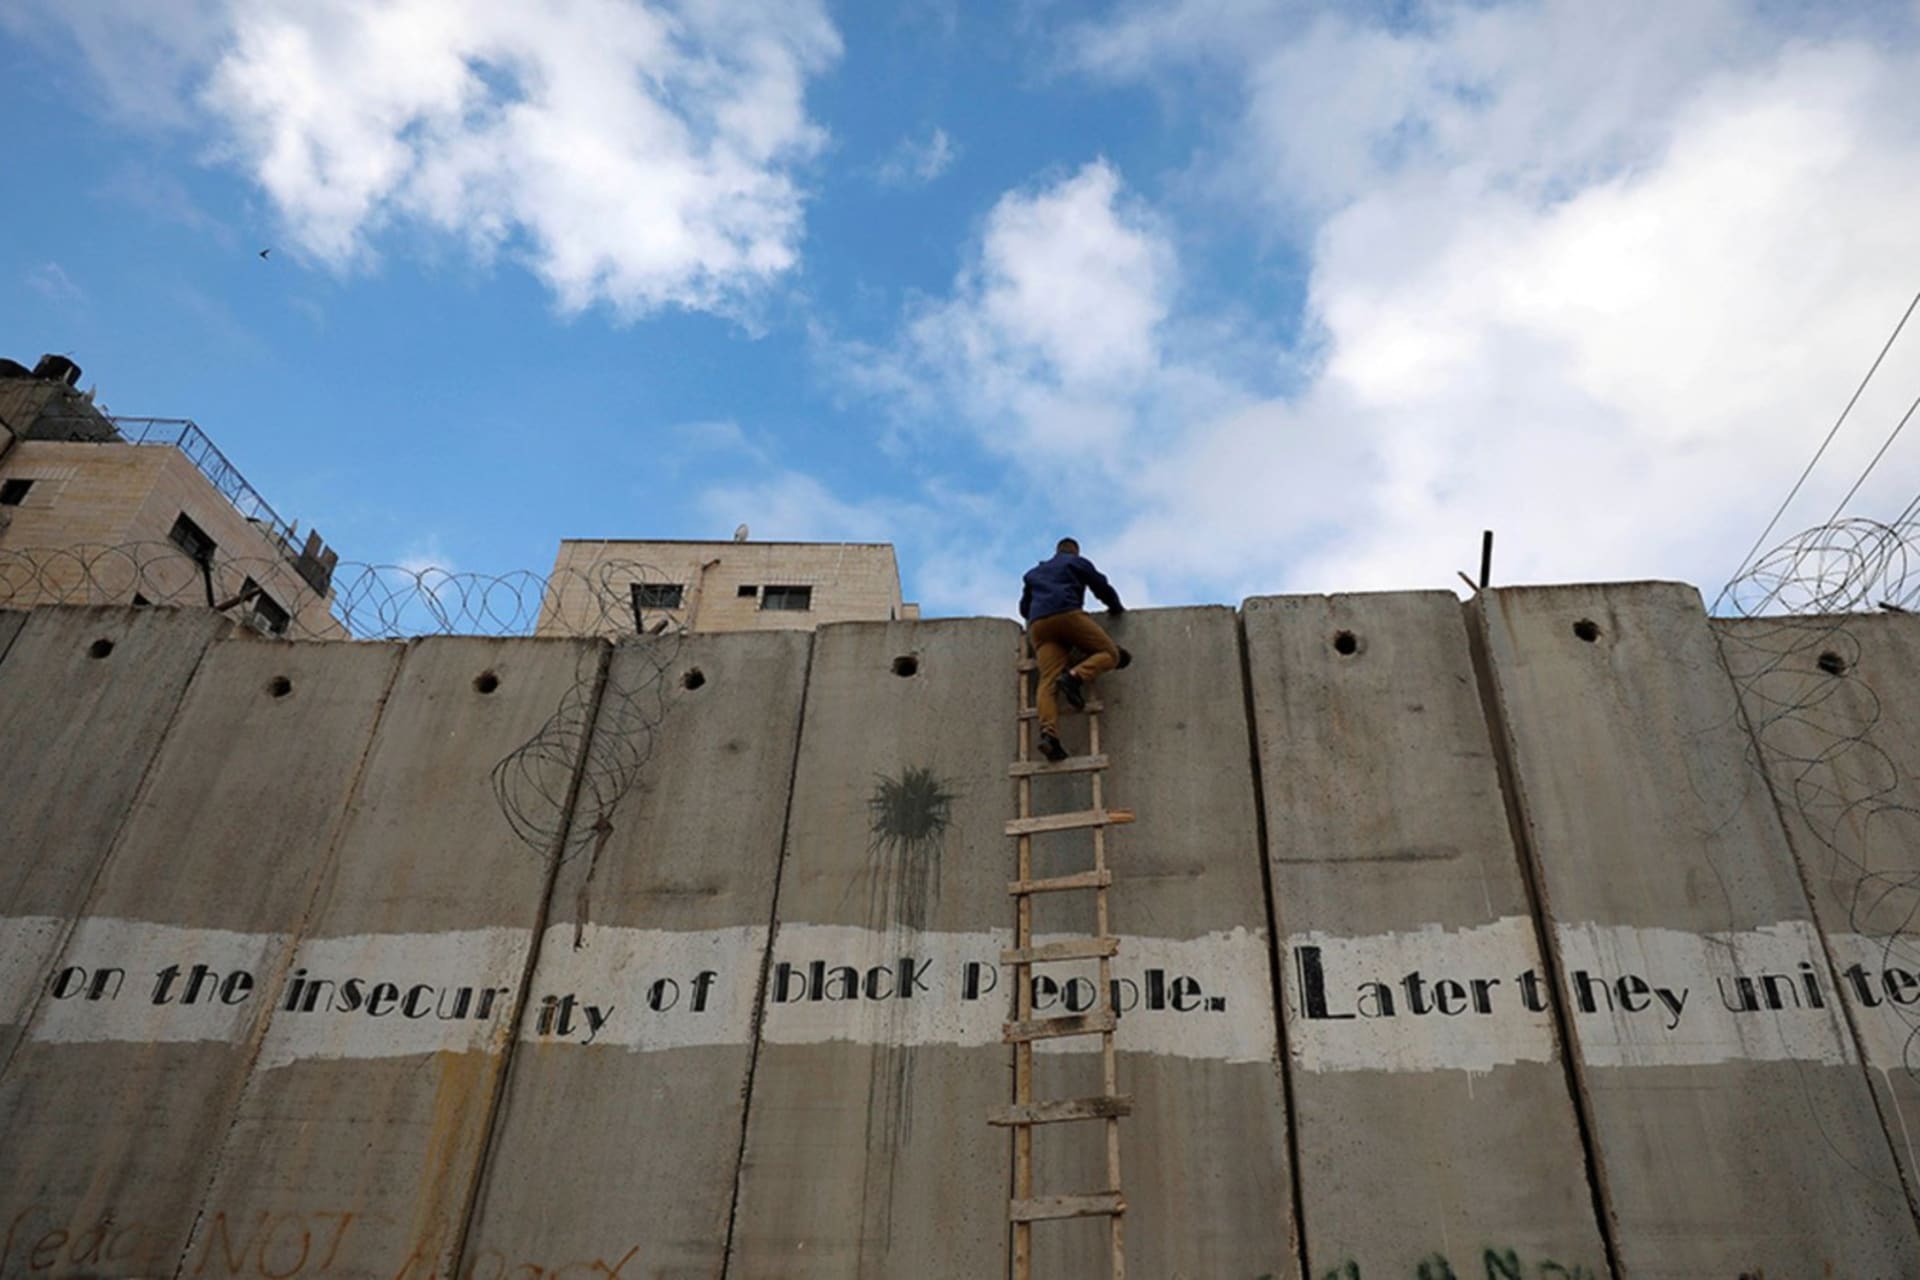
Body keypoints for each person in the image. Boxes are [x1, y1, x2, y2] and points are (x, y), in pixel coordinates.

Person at [1019, 537, 1126, 762]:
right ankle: (1074, 677)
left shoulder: (1034, 573)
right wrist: (1115, 608)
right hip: (1067, 614)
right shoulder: (1076, 563)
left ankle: (1049, 737)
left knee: (1047, 681)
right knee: (1111, 654)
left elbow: (1023, 609)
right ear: (1074, 551)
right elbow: (1101, 587)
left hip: (1039, 626)